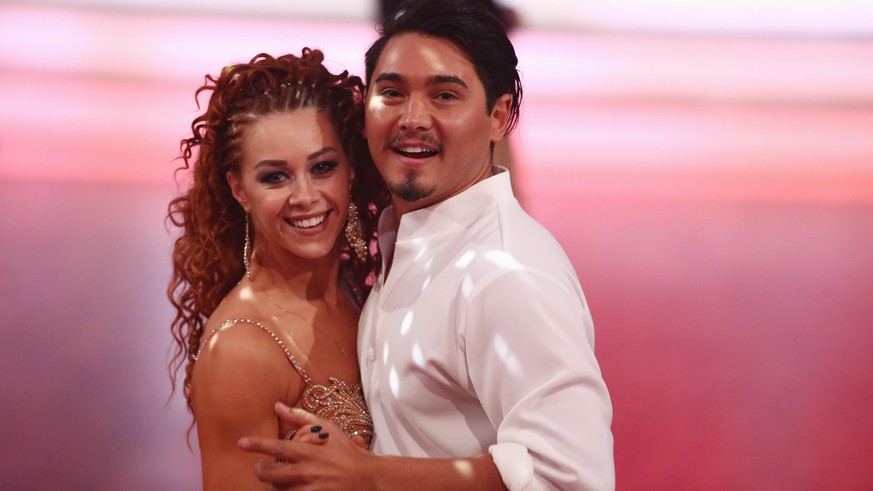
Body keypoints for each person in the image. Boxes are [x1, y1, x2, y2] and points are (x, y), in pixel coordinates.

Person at [240, 0, 615, 489]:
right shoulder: (407, 242)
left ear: (499, 117)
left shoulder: (506, 277)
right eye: (392, 92)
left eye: (444, 96)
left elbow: (573, 478)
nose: (412, 118)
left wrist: (369, 475)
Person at [167, 49, 390, 490]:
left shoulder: (362, 287)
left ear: (351, 170)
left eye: (322, 167)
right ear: (239, 189)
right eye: (275, 177)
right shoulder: (240, 350)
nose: (305, 196)